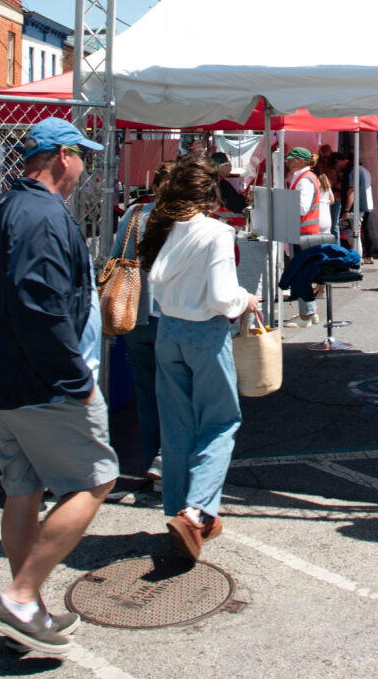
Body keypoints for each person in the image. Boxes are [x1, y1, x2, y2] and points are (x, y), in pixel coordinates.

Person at [0, 117, 119, 656]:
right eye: (84, 158)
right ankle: (22, 597)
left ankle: (26, 609)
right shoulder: (42, 214)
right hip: (39, 384)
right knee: (96, 479)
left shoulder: (3, 206)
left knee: (23, 487)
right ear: (62, 157)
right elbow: (40, 306)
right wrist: (77, 382)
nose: (85, 169)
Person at [140, 151, 260, 561]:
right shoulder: (215, 232)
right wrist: (248, 298)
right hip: (204, 333)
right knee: (221, 422)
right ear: (210, 193)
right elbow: (224, 297)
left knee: (176, 427)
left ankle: (178, 510)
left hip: (168, 330)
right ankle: (195, 512)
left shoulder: (163, 227)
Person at [110, 160, 174, 489]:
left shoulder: (132, 215)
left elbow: (113, 258)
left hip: (135, 313)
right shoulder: (181, 220)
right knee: (177, 395)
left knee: (147, 397)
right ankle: (167, 463)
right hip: (171, 317)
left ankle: (152, 463)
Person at [284, 146, 321, 326]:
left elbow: (302, 207)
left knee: (300, 274)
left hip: (303, 232)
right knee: (303, 273)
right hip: (306, 231)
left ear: (300, 161)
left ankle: (306, 315)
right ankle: (309, 312)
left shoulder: (304, 180)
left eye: (291, 160)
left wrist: (284, 202)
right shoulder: (305, 177)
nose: (288, 163)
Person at [341, 160, 375, 264]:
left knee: (354, 233)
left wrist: (346, 209)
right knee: (363, 230)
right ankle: (368, 255)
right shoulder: (365, 171)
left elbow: (352, 190)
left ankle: (358, 258)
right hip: (366, 203)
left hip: (357, 205)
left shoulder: (353, 170)